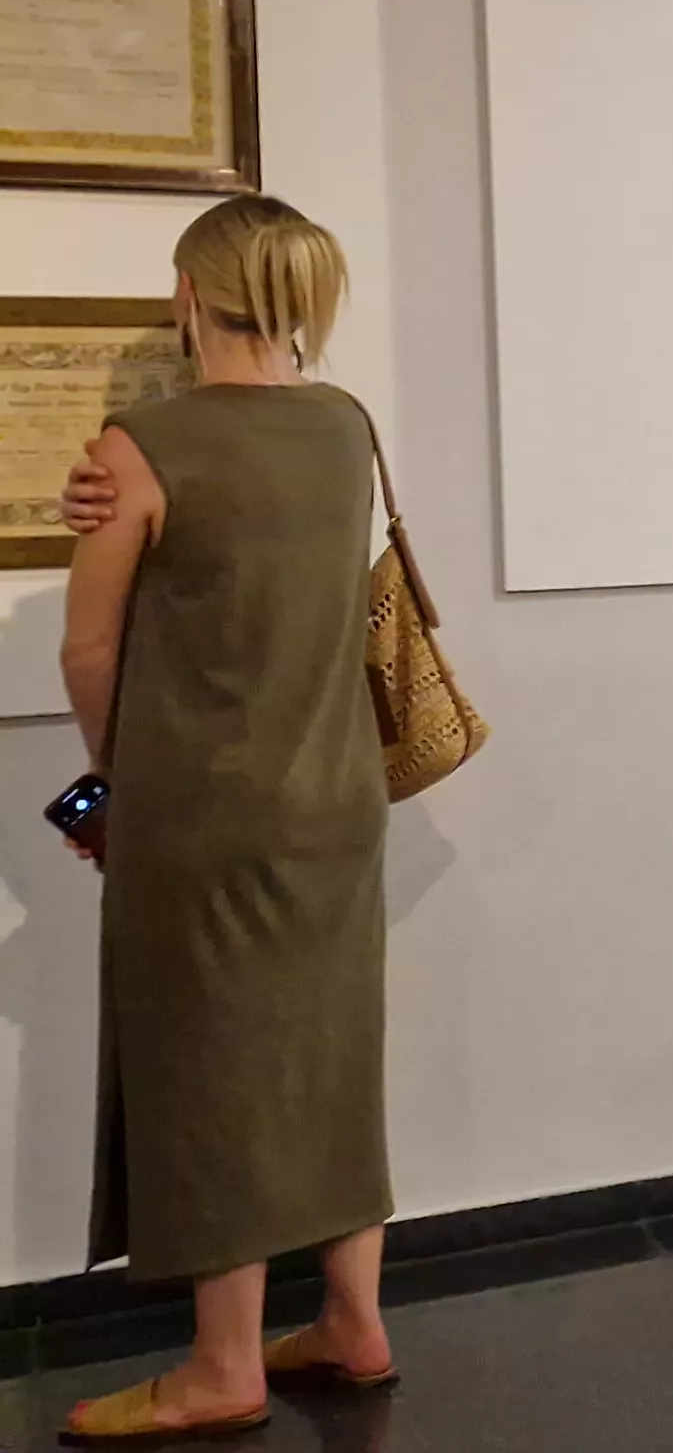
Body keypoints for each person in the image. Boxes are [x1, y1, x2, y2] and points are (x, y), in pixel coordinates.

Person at [53, 198, 400, 1444]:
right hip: (337, 799)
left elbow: (89, 646)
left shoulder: (139, 445)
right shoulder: (345, 428)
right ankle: (353, 1320)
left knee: (209, 1064)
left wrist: (115, 775)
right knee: (327, 1053)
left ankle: (219, 1362)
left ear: (188, 295)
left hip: (201, 806)